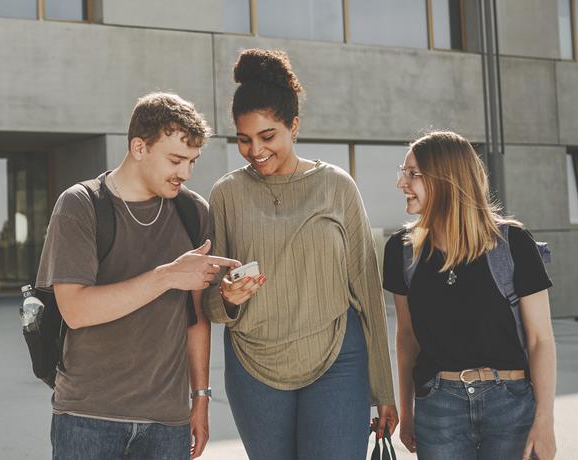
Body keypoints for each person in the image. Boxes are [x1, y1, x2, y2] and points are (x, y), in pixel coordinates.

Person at [201, 49, 398, 459]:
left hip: (337, 359)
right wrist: (228, 299)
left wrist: (383, 389)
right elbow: (210, 303)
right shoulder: (226, 194)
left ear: (293, 126)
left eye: (267, 136)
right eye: (243, 139)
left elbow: (367, 293)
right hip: (254, 366)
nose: (255, 150)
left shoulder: (337, 187)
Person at [37, 92, 237, 459]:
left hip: (168, 423)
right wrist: (165, 277)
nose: (186, 173)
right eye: (176, 160)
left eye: (192, 161)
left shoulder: (193, 212)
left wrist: (201, 397)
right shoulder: (81, 205)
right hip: (88, 417)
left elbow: (195, 319)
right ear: (139, 147)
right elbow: (76, 310)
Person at [383, 131, 557, 460]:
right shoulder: (401, 251)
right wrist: (408, 412)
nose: (401, 183)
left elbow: (540, 341)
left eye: (413, 174)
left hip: (512, 405)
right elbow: (407, 338)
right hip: (438, 408)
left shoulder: (512, 243)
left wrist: (545, 421)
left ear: (447, 179)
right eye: (402, 172)